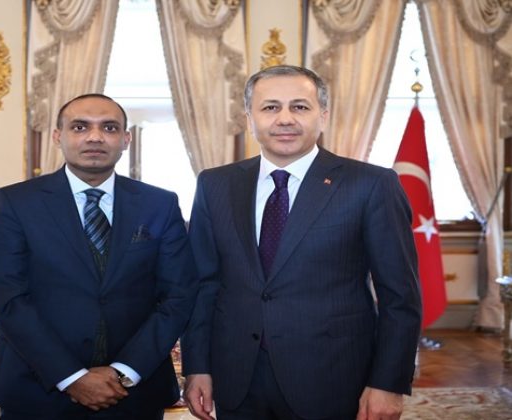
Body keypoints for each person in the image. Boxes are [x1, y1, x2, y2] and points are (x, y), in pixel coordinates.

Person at [181, 65, 422, 420]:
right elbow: (203, 284)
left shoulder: (371, 184)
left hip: (332, 378)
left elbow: (400, 295)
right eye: (270, 107)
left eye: (300, 107)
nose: (285, 119)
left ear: (322, 115)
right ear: (249, 118)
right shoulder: (215, 184)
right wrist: (197, 367)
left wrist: (388, 383)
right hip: (237, 378)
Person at [0, 93, 198, 419]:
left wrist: (125, 370)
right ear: (58, 136)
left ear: (125, 139)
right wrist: (71, 377)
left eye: (109, 127)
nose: (95, 137)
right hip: (37, 385)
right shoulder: (14, 203)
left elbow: (178, 295)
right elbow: (7, 299)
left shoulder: (159, 204)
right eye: (80, 127)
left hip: (134, 389)